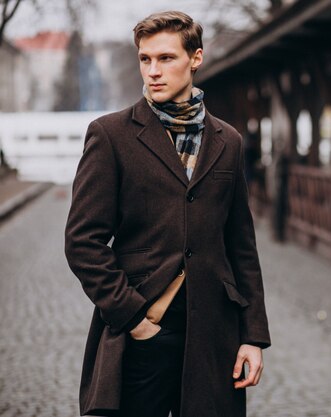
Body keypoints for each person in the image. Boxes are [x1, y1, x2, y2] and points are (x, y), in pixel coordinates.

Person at [64, 11, 270, 417]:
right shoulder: (111, 135)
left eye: (166, 58)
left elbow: (241, 245)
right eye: (145, 59)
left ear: (196, 58)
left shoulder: (227, 140)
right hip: (143, 331)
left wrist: (253, 336)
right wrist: (134, 317)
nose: (153, 71)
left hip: (214, 335)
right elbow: (82, 242)